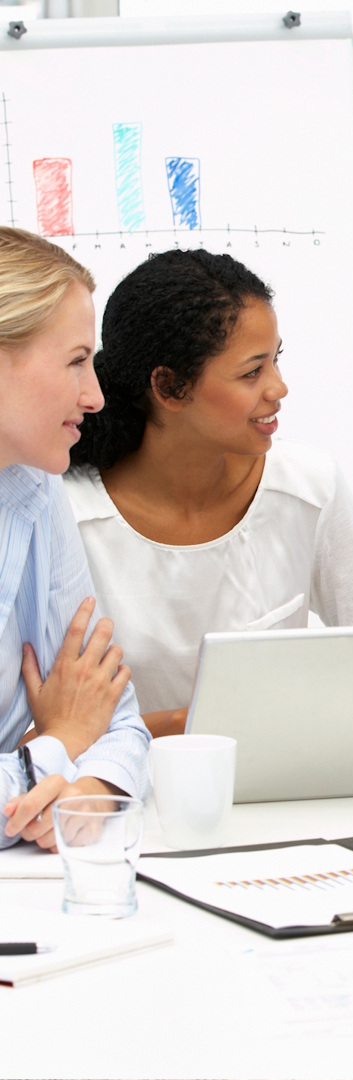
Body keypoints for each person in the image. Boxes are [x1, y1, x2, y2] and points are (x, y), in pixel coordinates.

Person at [64, 250, 353, 738]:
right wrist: (191, 724)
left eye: (276, 361)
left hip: (280, 790)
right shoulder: (68, 514)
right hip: (122, 801)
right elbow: (45, 733)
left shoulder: (308, 485)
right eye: (251, 372)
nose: (278, 388)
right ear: (169, 386)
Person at [0, 227, 149, 851]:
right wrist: (57, 745)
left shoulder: (35, 490)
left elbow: (116, 718)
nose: (95, 396)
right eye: (75, 360)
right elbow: (77, 725)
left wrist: (93, 791)